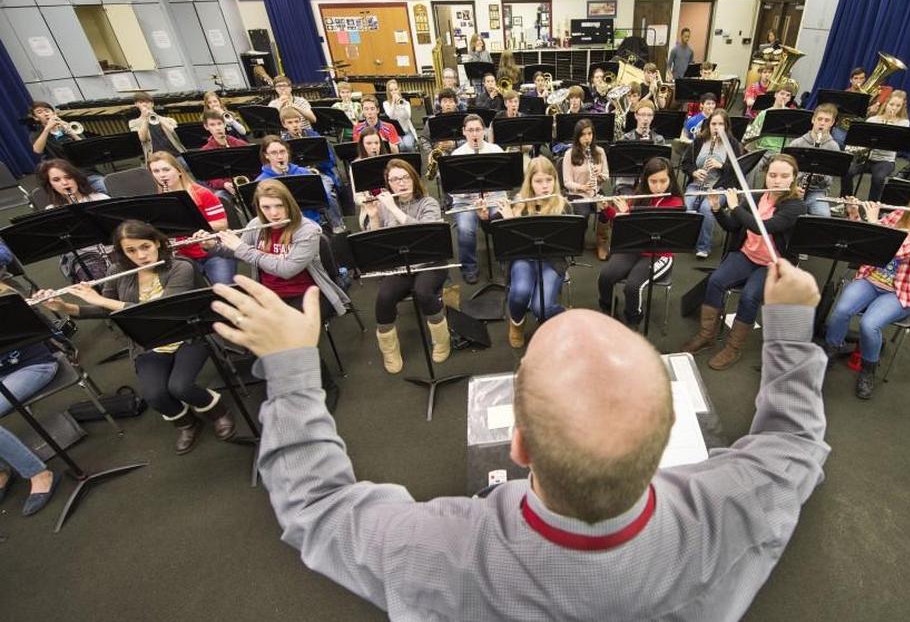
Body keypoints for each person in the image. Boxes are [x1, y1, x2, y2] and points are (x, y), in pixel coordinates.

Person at [210, 248, 827, 622]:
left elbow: (315, 512)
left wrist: (291, 372)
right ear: (669, 434)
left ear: (520, 444)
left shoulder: (440, 553)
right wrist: (793, 327)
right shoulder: (735, 505)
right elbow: (795, 444)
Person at [36, 221, 235, 454]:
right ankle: (188, 423)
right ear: (122, 252)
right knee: (155, 395)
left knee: (180, 387)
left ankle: (218, 412)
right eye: (131, 251)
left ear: (157, 243)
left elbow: (161, 310)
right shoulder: (117, 271)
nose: (141, 255)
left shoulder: (180, 267)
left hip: (188, 334)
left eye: (145, 247)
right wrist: (66, 306)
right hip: (146, 341)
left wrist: (100, 299)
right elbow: (106, 309)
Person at [198, 180, 348, 393]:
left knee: (294, 342)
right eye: (266, 207)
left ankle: (326, 387)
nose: (274, 213)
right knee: (262, 339)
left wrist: (243, 248)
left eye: (279, 206)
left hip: (307, 294)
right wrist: (212, 246)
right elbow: (234, 251)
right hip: (269, 294)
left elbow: (286, 269)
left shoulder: (307, 230)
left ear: (289, 204)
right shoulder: (256, 225)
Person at [824, 170, 910, 399]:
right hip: (871, 277)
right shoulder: (901, 214)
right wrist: (854, 213)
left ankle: (869, 368)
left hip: (900, 291)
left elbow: (893, 249)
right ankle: (831, 348)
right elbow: (866, 242)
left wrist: (874, 221)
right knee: (841, 310)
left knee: (869, 325)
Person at [682, 154, 808, 369]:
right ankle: (707, 335)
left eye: (784, 176)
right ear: (766, 176)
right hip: (747, 255)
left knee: (749, 297)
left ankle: (732, 348)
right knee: (715, 281)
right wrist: (716, 209)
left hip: (773, 264)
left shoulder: (795, 206)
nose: (777, 180)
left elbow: (762, 226)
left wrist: (736, 207)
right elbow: (732, 226)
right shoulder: (758, 198)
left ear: (793, 178)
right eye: (773, 175)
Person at [358, 160, 452, 373]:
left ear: (413, 178)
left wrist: (393, 208)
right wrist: (373, 216)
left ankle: (442, 340)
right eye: (394, 179)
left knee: (424, 292)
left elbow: (427, 234)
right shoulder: (383, 206)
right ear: (388, 184)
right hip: (400, 265)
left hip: (431, 261)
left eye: (405, 177)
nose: (400, 183)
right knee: (384, 297)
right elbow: (375, 243)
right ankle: (390, 351)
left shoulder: (429, 203)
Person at [493, 156, 571, 347]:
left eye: (549, 180)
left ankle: (567, 317)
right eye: (538, 181)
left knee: (541, 308)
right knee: (520, 291)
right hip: (523, 258)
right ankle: (516, 324)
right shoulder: (519, 203)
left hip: (552, 261)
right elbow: (493, 228)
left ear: (555, 181)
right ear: (530, 183)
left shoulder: (563, 206)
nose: (545, 186)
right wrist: (501, 219)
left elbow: (569, 241)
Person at [597, 157, 684, 327]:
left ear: (671, 180)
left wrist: (628, 214)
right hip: (634, 248)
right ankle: (608, 309)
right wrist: (607, 209)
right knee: (605, 277)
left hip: (659, 253)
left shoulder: (676, 203)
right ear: (646, 180)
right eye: (653, 181)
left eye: (663, 181)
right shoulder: (640, 196)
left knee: (632, 287)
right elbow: (624, 226)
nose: (658, 187)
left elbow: (655, 228)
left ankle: (633, 318)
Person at [0, 282, 61, 516]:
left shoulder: (6, 297)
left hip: (33, 365)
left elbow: (41, 329)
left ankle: (38, 473)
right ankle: (2, 471)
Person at [147, 151, 237, 285]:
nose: (162, 175)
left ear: (178, 171)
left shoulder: (202, 193)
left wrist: (190, 226)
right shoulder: (159, 201)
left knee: (225, 290)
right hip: (183, 256)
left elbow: (222, 224)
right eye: (156, 171)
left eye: (166, 169)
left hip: (213, 251)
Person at [449, 115, 506, 283]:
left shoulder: (495, 150)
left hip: (494, 197)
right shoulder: (457, 154)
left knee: (502, 221)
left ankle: (507, 262)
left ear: (484, 131)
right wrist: (471, 193)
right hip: (466, 200)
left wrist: (492, 189)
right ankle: (469, 267)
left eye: (478, 130)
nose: (475, 133)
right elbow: (452, 190)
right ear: (464, 132)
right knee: (466, 229)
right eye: (471, 130)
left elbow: (504, 180)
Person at [35, 159, 112, 282]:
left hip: (113, 248)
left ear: (76, 178)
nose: (64, 183)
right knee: (95, 279)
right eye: (56, 180)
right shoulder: (51, 211)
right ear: (50, 185)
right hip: (84, 256)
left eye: (68, 177)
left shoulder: (100, 198)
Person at [681, 109, 743, 259]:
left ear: (726, 126)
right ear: (708, 125)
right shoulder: (699, 141)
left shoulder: (733, 145)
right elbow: (686, 164)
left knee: (706, 208)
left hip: (720, 187)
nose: (717, 127)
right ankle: (687, 241)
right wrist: (695, 172)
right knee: (688, 207)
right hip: (697, 184)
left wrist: (721, 166)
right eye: (714, 123)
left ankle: (703, 246)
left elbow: (739, 170)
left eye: (721, 124)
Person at [256, 136, 346, 233]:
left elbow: (324, 199)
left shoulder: (303, 173)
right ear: (266, 155)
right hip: (281, 229)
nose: (279, 156)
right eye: (274, 153)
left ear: (288, 152)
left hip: (311, 224)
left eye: (282, 151)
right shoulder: (262, 181)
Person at [840, 91, 910, 202]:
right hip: (866, 158)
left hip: (885, 160)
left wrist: (889, 125)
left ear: (902, 107)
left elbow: (896, 143)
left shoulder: (903, 123)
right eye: (891, 104)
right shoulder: (873, 120)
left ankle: (872, 205)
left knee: (879, 178)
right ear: (886, 103)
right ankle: (845, 201)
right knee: (847, 171)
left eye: (898, 106)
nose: (894, 108)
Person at [27, 101, 107, 194]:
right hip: (63, 176)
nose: (45, 114)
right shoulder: (36, 134)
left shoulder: (66, 127)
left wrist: (72, 133)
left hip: (85, 172)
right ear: (36, 118)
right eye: (40, 112)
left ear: (54, 113)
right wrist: (47, 129)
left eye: (47, 110)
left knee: (105, 188)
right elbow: (37, 150)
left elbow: (85, 147)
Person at [562, 119, 610, 258]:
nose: (587, 138)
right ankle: (577, 241)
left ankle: (602, 243)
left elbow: (606, 175)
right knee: (583, 213)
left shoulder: (599, 152)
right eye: (583, 135)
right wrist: (582, 187)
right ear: (577, 137)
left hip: (595, 191)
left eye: (590, 134)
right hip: (577, 193)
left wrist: (599, 175)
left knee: (606, 210)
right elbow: (567, 182)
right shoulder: (569, 154)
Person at [784, 102, 841, 217]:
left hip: (816, 191)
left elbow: (829, 181)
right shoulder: (797, 143)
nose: (822, 123)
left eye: (827, 120)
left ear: (832, 123)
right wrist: (794, 187)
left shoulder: (833, 147)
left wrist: (819, 176)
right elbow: (786, 171)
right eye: (820, 119)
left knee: (824, 216)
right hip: (793, 189)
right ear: (813, 120)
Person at [279, 107, 344, 199]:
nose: (295, 125)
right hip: (297, 178)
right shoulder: (282, 143)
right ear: (284, 124)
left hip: (320, 174)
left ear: (301, 122)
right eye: (290, 122)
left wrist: (316, 166)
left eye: (297, 121)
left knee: (325, 197)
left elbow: (330, 160)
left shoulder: (314, 136)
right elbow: (283, 166)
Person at [199, 109, 250, 201]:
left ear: (224, 124)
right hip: (225, 187)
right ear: (206, 127)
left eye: (219, 123)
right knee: (220, 196)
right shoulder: (205, 151)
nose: (217, 128)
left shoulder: (238, 144)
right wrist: (224, 184)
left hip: (245, 182)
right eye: (212, 125)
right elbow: (209, 179)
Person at [742, 81, 795, 153]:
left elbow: (793, 137)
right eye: (782, 93)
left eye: (788, 95)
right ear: (775, 94)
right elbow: (752, 134)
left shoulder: (792, 115)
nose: (784, 97)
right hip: (764, 149)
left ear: (789, 99)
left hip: (782, 151)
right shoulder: (764, 113)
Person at [128, 92, 185, 160]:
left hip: (177, 155)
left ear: (152, 104)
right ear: (136, 104)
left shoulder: (169, 120)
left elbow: (174, 132)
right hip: (156, 160)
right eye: (140, 102)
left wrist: (156, 117)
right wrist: (146, 119)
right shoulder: (133, 123)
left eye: (147, 102)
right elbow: (142, 138)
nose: (144, 104)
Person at [382, 79, 418, 152]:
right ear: (388, 92)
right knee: (400, 145)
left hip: (406, 131)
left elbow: (408, 116)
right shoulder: (386, 103)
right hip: (395, 132)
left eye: (395, 89)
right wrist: (393, 104)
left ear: (399, 90)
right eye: (391, 90)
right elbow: (391, 116)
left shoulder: (405, 103)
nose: (394, 92)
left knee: (408, 145)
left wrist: (401, 105)